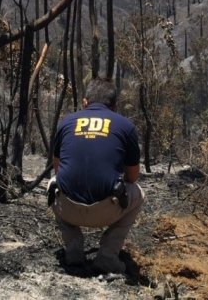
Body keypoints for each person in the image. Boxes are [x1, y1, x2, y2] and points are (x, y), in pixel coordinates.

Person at [49, 78, 145, 274]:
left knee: (52, 183)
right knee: (138, 194)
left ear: (85, 102)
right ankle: (108, 256)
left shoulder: (65, 123)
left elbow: (58, 170)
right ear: (114, 105)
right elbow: (133, 177)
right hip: (106, 212)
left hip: (68, 209)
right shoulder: (126, 126)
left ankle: (74, 249)